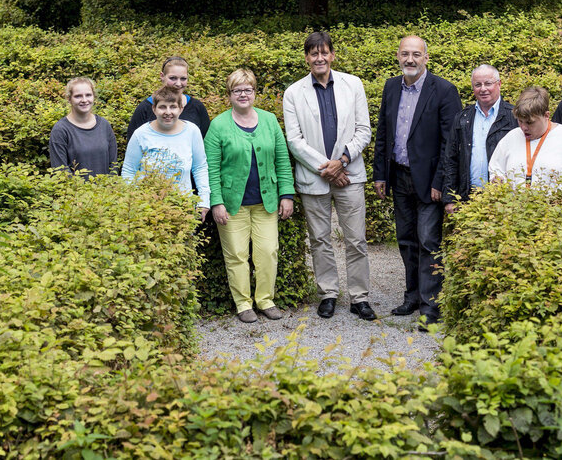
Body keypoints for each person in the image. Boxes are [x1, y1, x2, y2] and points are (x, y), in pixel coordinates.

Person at [283, 32, 376, 321]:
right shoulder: (293, 93)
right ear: (307, 58)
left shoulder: (353, 84)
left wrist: (343, 160)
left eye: (324, 52)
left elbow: (364, 130)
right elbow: (294, 140)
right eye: (313, 53)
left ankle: (359, 296)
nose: (319, 58)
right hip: (315, 178)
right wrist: (329, 167)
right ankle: (328, 293)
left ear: (332, 55)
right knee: (320, 239)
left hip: (350, 173)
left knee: (356, 239)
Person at [372, 36, 461, 328]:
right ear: (398, 56)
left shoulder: (445, 90)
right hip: (398, 176)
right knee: (406, 240)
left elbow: (451, 143)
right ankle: (411, 297)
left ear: (426, 57)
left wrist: (442, 182)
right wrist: (380, 174)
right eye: (405, 54)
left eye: (416, 54)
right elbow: (384, 132)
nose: (410, 59)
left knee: (428, 241)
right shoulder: (390, 86)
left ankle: (431, 307)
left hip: (429, 182)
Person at [204, 69, 296, 323]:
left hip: (266, 203)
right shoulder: (218, 125)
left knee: (268, 252)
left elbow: (282, 160)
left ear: (255, 92)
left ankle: (265, 300)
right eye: (237, 90)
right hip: (233, 205)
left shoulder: (269, 121)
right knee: (236, 255)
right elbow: (210, 168)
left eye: (248, 89)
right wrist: (216, 202)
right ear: (229, 95)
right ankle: (243, 304)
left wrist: (286, 194)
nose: (243, 94)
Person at [122, 85, 210, 220]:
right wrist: (132, 202)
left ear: (181, 109)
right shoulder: (141, 134)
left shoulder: (192, 131)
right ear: (154, 109)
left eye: (173, 107)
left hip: (182, 207)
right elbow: (129, 170)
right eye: (162, 107)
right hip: (145, 208)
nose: (168, 112)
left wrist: (204, 200)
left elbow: (200, 167)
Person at [489, 86, 562, 189]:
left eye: (529, 122)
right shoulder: (511, 138)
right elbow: (495, 167)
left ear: (546, 115)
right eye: (520, 121)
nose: (523, 127)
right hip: (514, 207)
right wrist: (498, 180)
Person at [442, 64, 516, 211]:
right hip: (468, 197)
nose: (483, 89)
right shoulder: (463, 117)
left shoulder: (514, 116)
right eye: (478, 85)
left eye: (488, 83)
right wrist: (450, 198)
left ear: (499, 84)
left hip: (504, 199)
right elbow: (451, 159)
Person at [126, 56, 211, 143]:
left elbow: (205, 142)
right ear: (162, 76)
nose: (178, 84)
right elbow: (133, 142)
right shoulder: (145, 108)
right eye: (173, 78)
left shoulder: (197, 107)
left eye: (183, 78)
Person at [49, 77, 118, 178]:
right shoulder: (60, 130)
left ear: (94, 96)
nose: (84, 100)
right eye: (78, 96)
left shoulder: (104, 125)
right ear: (69, 99)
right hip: (75, 192)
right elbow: (61, 171)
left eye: (88, 95)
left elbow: (113, 166)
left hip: (106, 191)